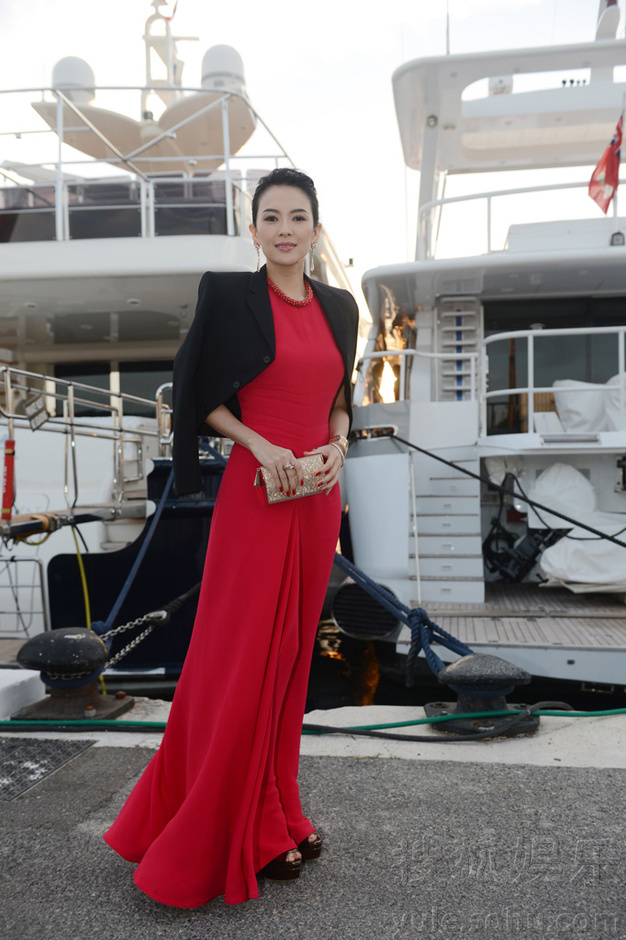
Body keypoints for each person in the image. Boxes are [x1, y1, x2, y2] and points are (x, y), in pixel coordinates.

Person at [103, 167, 359, 908]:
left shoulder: (341, 306)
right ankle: (243, 826)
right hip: (258, 490)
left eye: (298, 217)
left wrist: (337, 446)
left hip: (317, 495)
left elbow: (341, 397)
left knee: (291, 661)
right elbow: (196, 393)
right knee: (242, 660)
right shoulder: (227, 295)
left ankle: (282, 808)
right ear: (253, 230)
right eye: (271, 217)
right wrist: (260, 445)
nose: (285, 229)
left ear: (316, 229)